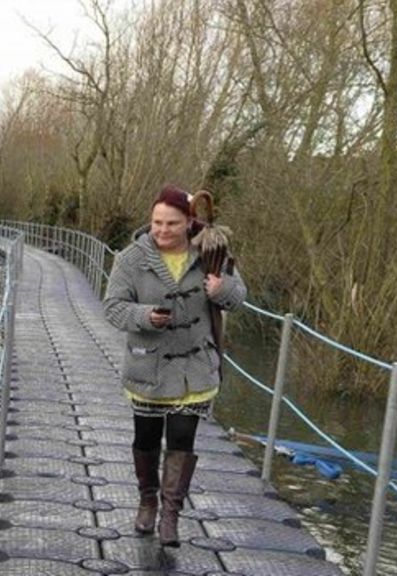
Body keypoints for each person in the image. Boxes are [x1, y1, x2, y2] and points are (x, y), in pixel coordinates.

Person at [102, 185, 246, 546]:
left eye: (172, 223)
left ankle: (171, 516)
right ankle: (147, 502)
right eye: (157, 223)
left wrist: (221, 290)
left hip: (194, 367)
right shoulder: (131, 259)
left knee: (183, 438)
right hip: (148, 366)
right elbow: (113, 307)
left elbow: (239, 295)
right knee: (146, 439)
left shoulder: (213, 253)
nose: (163, 230)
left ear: (188, 222)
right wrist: (145, 316)